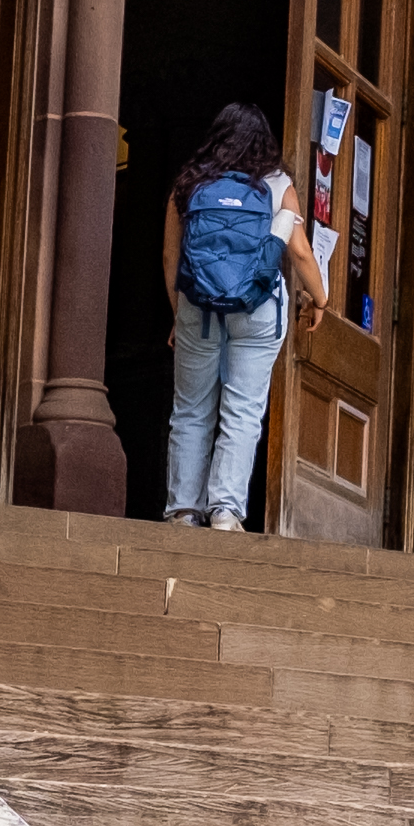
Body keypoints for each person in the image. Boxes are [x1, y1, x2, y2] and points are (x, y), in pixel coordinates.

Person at [155, 103, 302, 531]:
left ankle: (183, 510)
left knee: (190, 409)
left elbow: (170, 256)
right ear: (265, 142)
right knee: (242, 410)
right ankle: (225, 511)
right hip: (257, 310)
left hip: (197, 309)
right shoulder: (277, 185)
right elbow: (299, 252)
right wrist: (321, 298)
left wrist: (179, 312)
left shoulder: (189, 184)